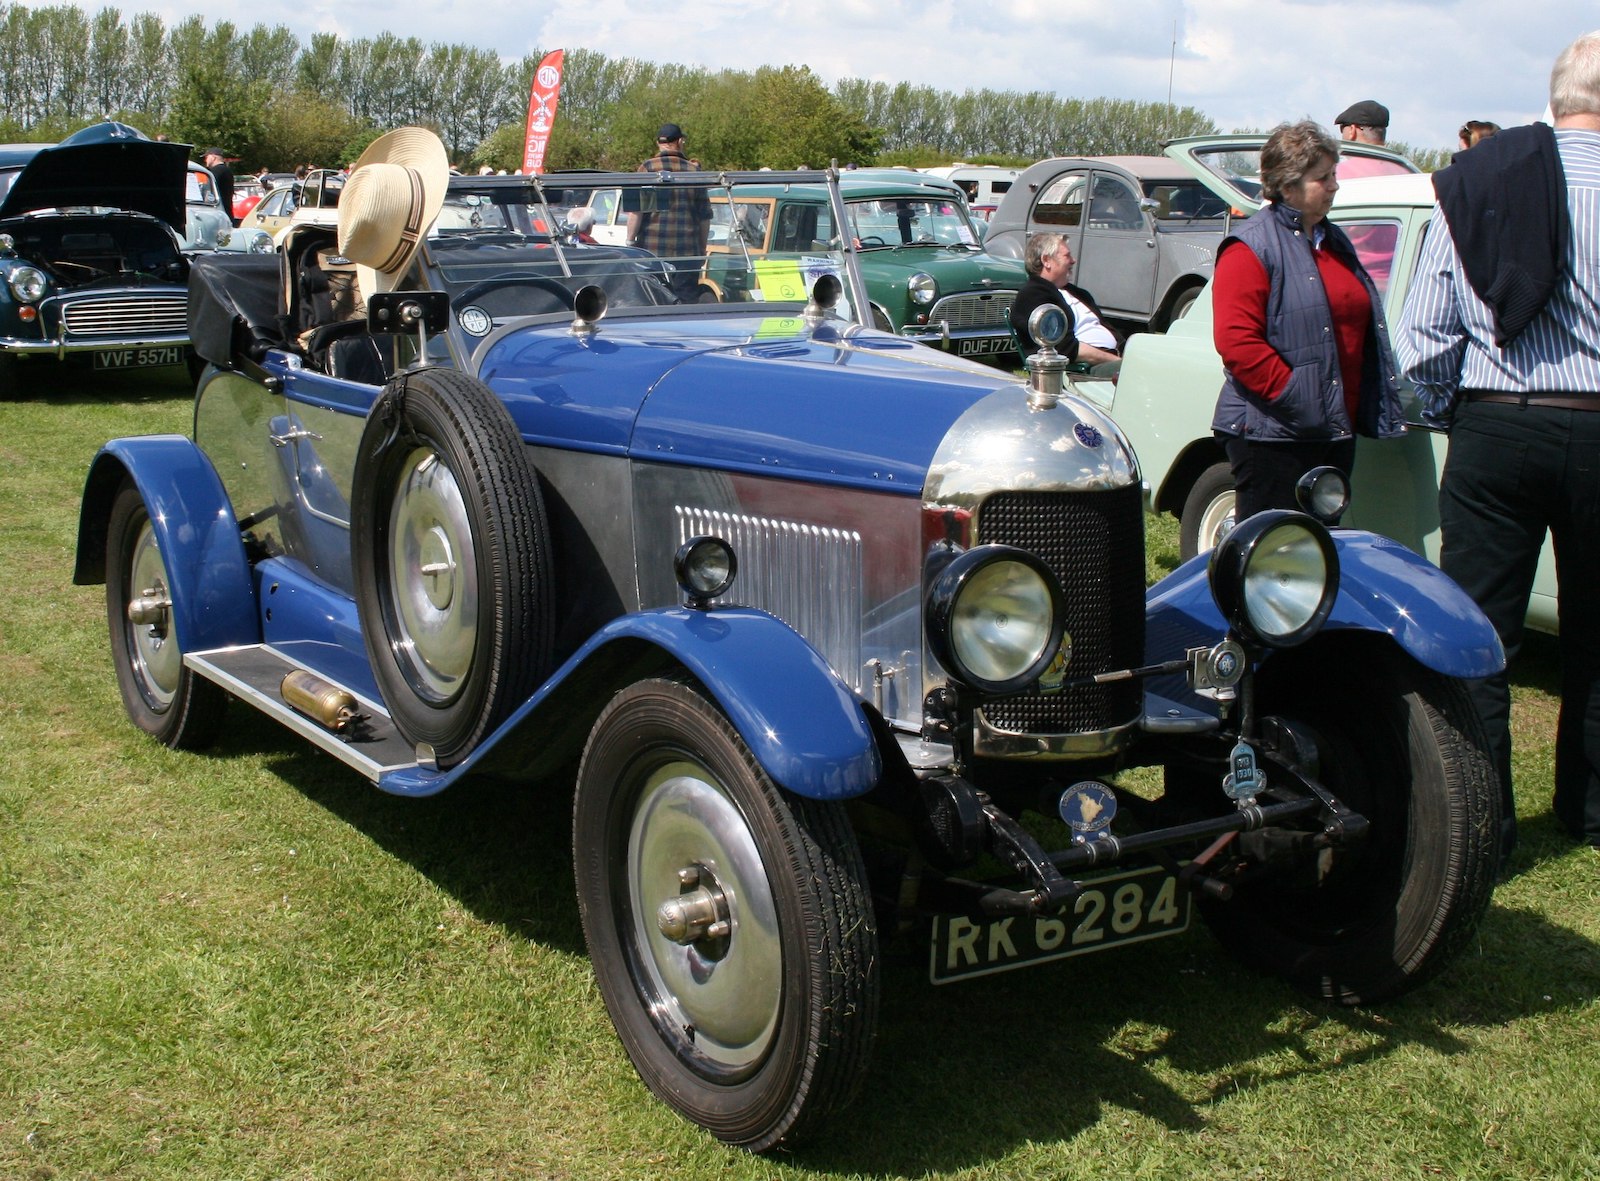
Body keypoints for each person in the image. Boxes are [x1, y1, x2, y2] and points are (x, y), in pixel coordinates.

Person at [1397, 29, 1600, 862]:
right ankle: (1589, 808)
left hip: (1499, 416)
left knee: (1480, 634)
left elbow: (1421, 335)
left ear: (1557, 100)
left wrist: (1457, 415)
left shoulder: (1480, 182)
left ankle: (1487, 817)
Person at [1210, 119, 1404, 523]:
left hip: (1329, 429)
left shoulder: (1333, 241)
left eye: (1334, 175)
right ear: (1288, 185)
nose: (1334, 186)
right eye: (1323, 178)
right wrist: (1301, 399)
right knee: (1275, 557)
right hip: (1273, 435)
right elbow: (1238, 343)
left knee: (1317, 551)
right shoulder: (1251, 247)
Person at [1008, 232, 1121, 375]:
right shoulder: (1033, 295)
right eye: (1067, 256)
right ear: (1046, 260)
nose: (1073, 261)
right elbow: (1064, 348)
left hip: (1113, 360)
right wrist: (1118, 361)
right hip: (1083, 371)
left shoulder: (1078, 293)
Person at [626, 123, 711, 302]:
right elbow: (704, 217)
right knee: (685, 304)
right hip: (688, 253)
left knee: (653, 300)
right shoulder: (694, 171)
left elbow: (636, 212)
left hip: (652, 252)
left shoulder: (647, 168)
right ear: (680, 141)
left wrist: (630, 242)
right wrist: (702, 250)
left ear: (659, 143)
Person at [202, 147, 235, 225]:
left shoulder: (215, 171)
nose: (205, 160)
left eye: (207, 157)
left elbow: (208, 192)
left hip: (217, 215)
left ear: (213, 157)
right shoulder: (227, 170)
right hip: (226, 212)